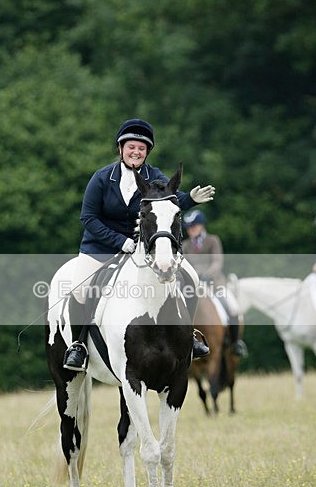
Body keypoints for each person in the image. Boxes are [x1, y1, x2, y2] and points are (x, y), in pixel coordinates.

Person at [63, 118, 215, 371]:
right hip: (100, 248)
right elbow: (88, 218)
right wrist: (119, 241)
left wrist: (190, 199)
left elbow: (170, 202)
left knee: (190, 279)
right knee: (81, 289)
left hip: (141, 250)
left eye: (142, 149)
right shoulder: (101, 178)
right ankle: (79, 344)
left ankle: (188, 335)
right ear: (121, 148)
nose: (136, 152)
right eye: (131, 146)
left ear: (147, 153)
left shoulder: (154, 177)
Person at [182, 210, 248, 357]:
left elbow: (217, 262)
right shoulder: (185, 245)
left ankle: (235, 342)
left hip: (214, 283)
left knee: (232, 308)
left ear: (202, 226)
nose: (191, 229)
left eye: (194, 226)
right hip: (194, 286)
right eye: (189, 227)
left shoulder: (213, 240)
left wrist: (207, 274)